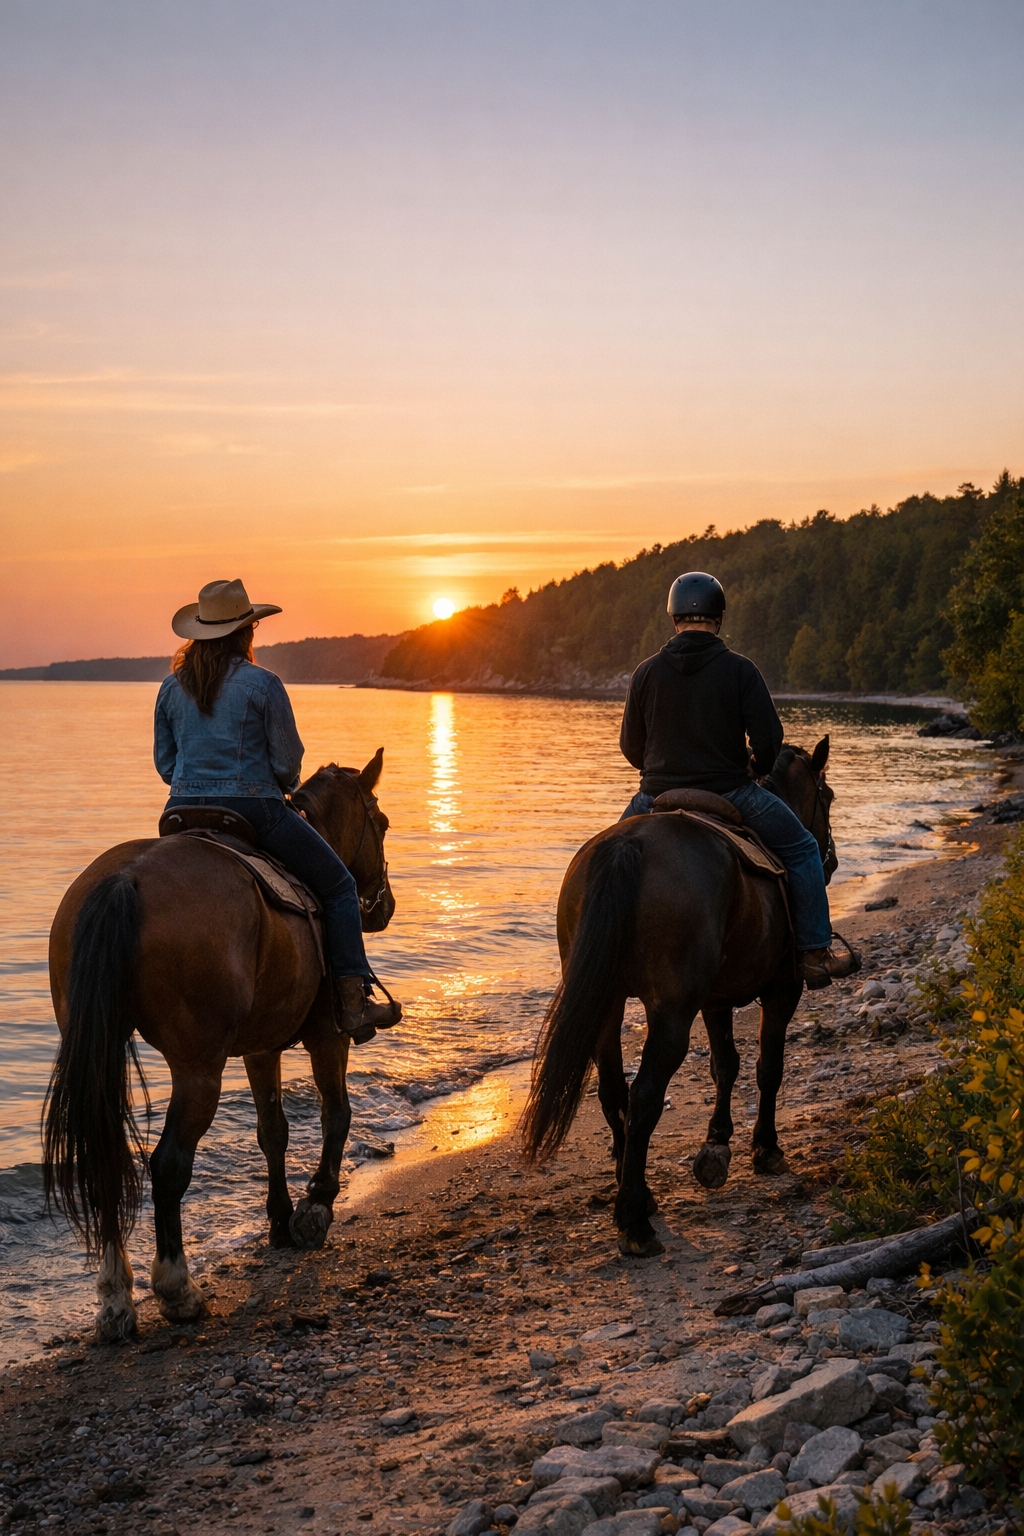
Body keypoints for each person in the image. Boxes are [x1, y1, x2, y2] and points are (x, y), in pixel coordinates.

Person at [153, 577, 402, 1041]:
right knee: (341, 886)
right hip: (255, 812)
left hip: (181, 813)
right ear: (247, 633)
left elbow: (165, 765)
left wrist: (196, 785)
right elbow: (288, 764)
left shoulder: (171, 688)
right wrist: (283, 788)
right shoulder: (263, 684)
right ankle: (352, 1003)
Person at [619, 570, 858, 990]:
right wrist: (757, 764)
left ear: (673, 617)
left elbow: (630, 748)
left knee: (608, 857)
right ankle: (815, 954)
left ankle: (603, 962)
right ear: (719, 617)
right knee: (803, 849)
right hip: (729, 792)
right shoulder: (740, 670)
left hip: (654, 796)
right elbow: (769, 741)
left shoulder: (645, 673)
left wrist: (659, 768)